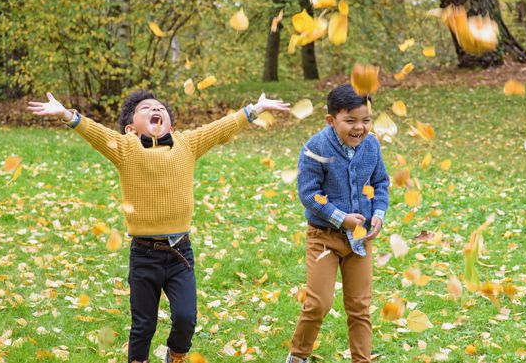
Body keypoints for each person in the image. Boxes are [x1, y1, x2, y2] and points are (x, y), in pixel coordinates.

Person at [28, 90, 289, 363]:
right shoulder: (125, 148)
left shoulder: (186, 143)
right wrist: (67, 115)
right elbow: (95, 133)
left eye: (160, 108)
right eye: (146, 108)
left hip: (179, 253)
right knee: (143, 325)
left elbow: (220, 129)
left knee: (186, 318)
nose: (156, 109)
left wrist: (255, 109)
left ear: (170, 125)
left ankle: (176, 355)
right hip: (144, 254)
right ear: (130, 128)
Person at [286, 84, 390, 363]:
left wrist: (378, 213)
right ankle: (298, 356)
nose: (360, 127)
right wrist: (340, 218)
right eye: (351, 120)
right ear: (331, 120)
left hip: (360, 237)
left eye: (366, 120)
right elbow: (308, 194)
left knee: (360, 306)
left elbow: (380, 182)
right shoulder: (315, 148)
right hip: (324, 237)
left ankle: (361, 359)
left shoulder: (371, 145)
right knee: (318, 302)